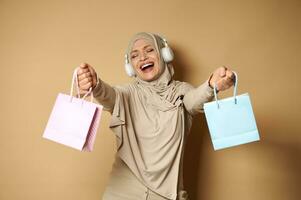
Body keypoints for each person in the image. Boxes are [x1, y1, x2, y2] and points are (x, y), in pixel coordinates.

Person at [77, 32, 235, 200]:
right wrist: (95, 84)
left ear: (164, 54)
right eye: (135, 55)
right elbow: (107, 94)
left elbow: (195, 100)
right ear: (130, 66)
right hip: (121, 192)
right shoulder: (126, 94)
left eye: (149, 50)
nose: (143, 57)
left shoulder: (181, 91)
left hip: (169, 194)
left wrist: (211, 85)